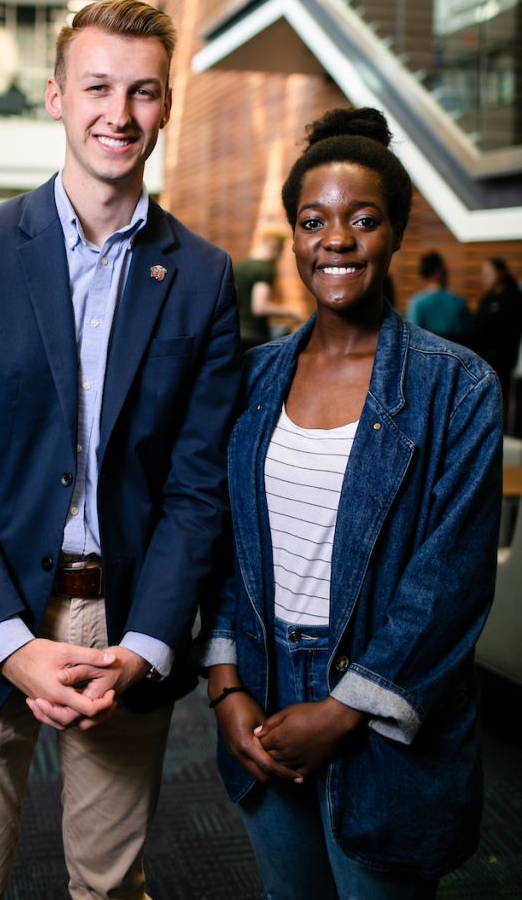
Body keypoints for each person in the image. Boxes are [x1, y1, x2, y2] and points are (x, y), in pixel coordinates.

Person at [0, 0, 240, 900]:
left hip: (120, 621)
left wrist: (149, 644)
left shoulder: (201, 276)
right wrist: (11, 646)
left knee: (109, 888)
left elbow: (197, 488)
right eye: (96, 87)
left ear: (166, 107)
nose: (117, 114)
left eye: (142, 92)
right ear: (55, 96)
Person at [201, 107, 502, 899]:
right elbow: (230, 548)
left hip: (380, 700)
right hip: (263, 689)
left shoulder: (454, 385)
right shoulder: (253, 378)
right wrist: (225, 686)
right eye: (313, 221)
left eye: (362, 220)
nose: (335, 239)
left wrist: (340, 712)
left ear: (396, 231)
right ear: (294, 237)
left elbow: (451, 578)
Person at [472, 257, 522, 428]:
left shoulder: (514, 299)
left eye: (488, 274)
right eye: (482, 274)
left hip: (504, 365)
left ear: (500, 274)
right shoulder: (486, 300)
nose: (483, 278)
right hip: (481, 363)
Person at [234, 223, 300, 351]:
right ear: (273, 245)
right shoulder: (264, 269)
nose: (281, 255)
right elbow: (260, 307)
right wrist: (290, 313)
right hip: (254, 335)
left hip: (236, 332)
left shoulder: (241, 265)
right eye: (281, 249)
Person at [406, 250, 472, 345]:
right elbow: (469, 336)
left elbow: (412, 338)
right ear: (438, 272)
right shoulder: (460, 302)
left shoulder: (417, 302)